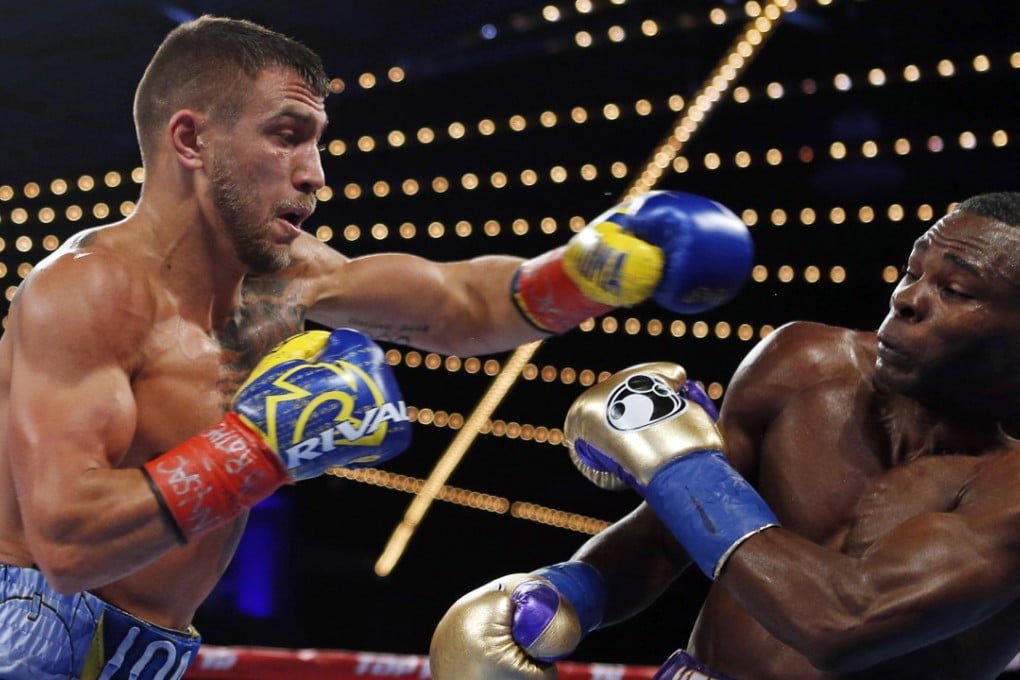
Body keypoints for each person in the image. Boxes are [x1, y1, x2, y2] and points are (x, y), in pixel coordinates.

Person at [0, 14, 754, 679]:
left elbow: (459, 306)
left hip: (147, 651)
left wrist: (590, 272)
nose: (315, 175)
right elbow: (68, 544)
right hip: (28, 636)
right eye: (286, 136)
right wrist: (260, 447)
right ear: (192, 139)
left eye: (316, 142)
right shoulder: (89, 293)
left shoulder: (289, 283)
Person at [430, 191, 1020, 680]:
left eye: (955, 290)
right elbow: (670, 536)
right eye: (914, 271)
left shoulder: (1009, 489)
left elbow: (844, 620)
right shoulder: (805, 365)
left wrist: (678, 464)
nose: (907, 298)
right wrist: (568, 593)